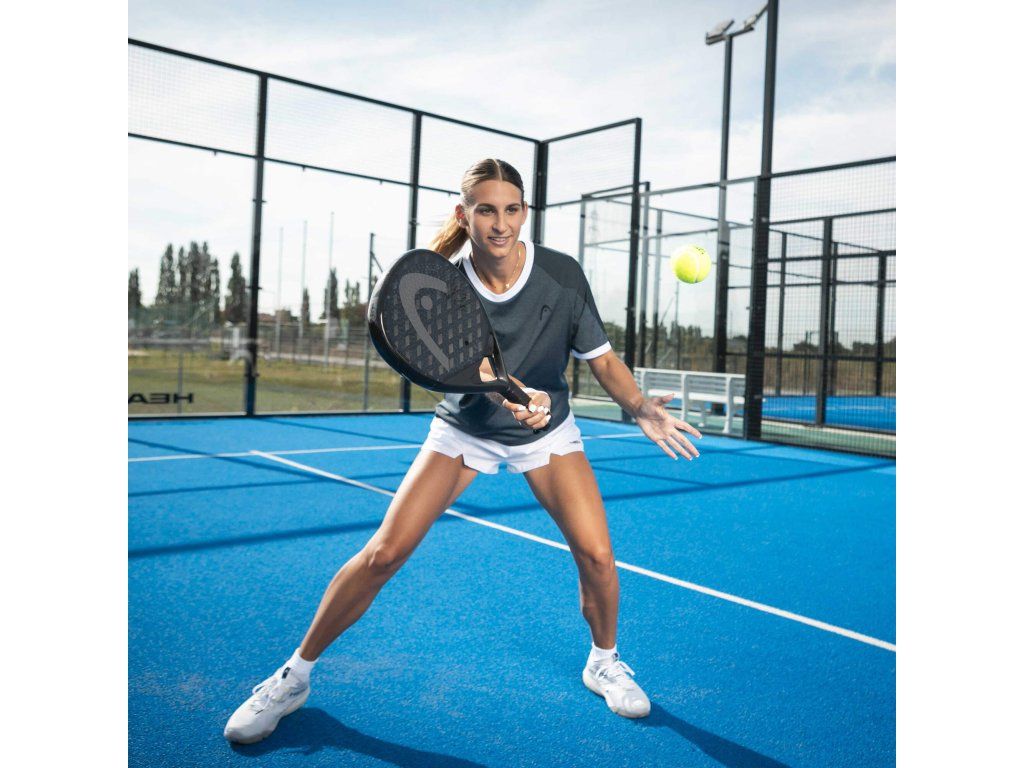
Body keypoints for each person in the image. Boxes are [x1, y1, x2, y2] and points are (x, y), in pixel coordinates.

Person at [224, 158, 702, 744]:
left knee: (599, 557)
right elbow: (467, 373)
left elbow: (600, 359)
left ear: (525, 212)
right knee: (383, 554)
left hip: (549, 433)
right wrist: (512, 396)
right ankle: (292, 678)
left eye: (512, 209)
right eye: (486, 210)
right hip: (465, 430)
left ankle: (603, 662)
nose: (501, 223)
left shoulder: (561, 275)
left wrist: (640, 406)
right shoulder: (440, 288)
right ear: (464, 214)